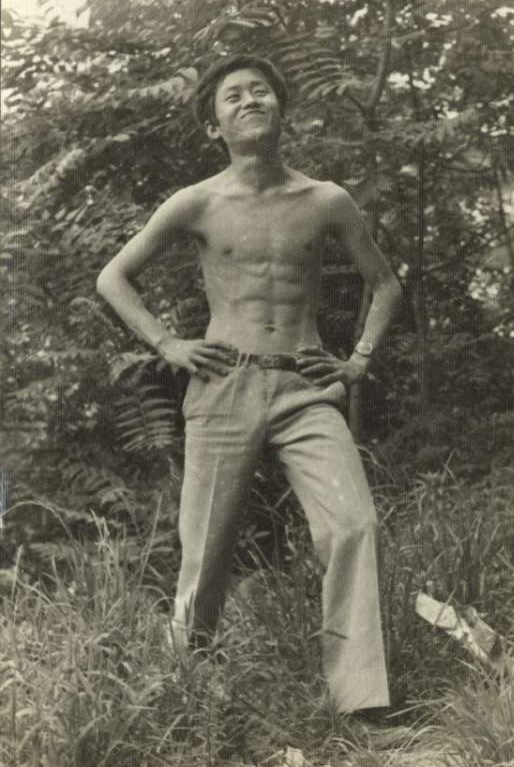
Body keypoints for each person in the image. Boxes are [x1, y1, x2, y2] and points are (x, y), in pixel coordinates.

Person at [96, 55, 402, 715]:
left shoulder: (326, 200)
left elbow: (384, 284)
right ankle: (185, 698)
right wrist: (167, 343)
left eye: (260, 90)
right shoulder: (197, 202)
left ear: (281, 108)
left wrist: (358, 360)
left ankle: (360, 700)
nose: (249, 100)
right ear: (214, 126)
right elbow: (112, 277)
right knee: (205, 552)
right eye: (232, 96)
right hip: (223, 385)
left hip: (306, 388)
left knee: (354, 524)